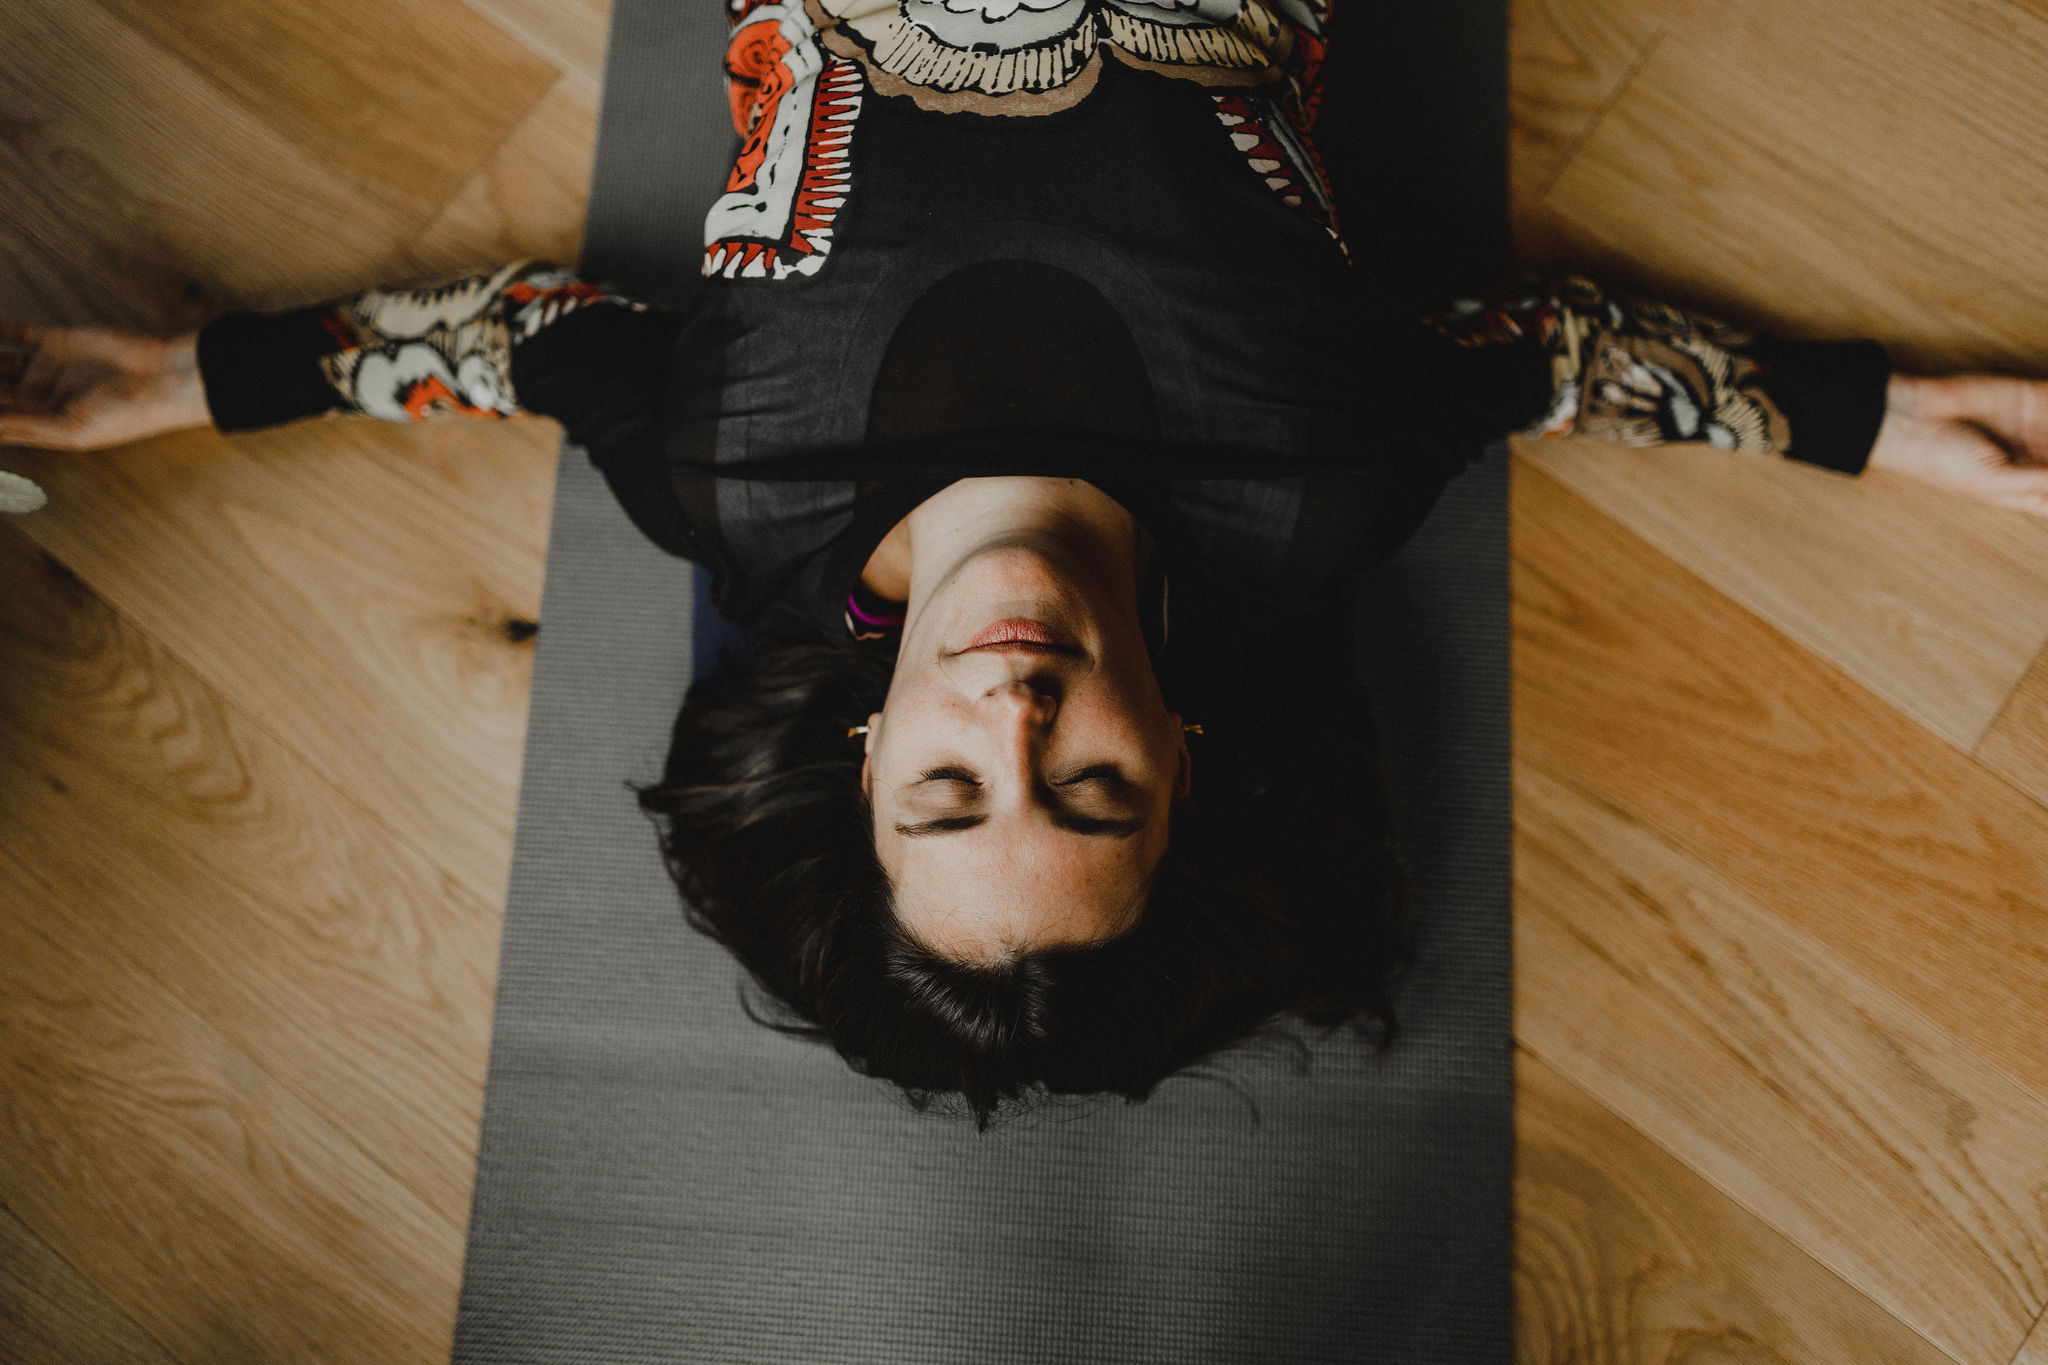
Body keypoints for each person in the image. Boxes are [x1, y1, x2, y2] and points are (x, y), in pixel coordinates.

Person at [3, 0, 2044, 1125]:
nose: (1016, 704)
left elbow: (527, 333)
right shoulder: (1317, 483)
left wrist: (188, 378)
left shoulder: (729, 480)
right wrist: (1874, 419)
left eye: (946, 786)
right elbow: (1544, 357)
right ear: (1188, 749)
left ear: (862, 748)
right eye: (1089, 787)